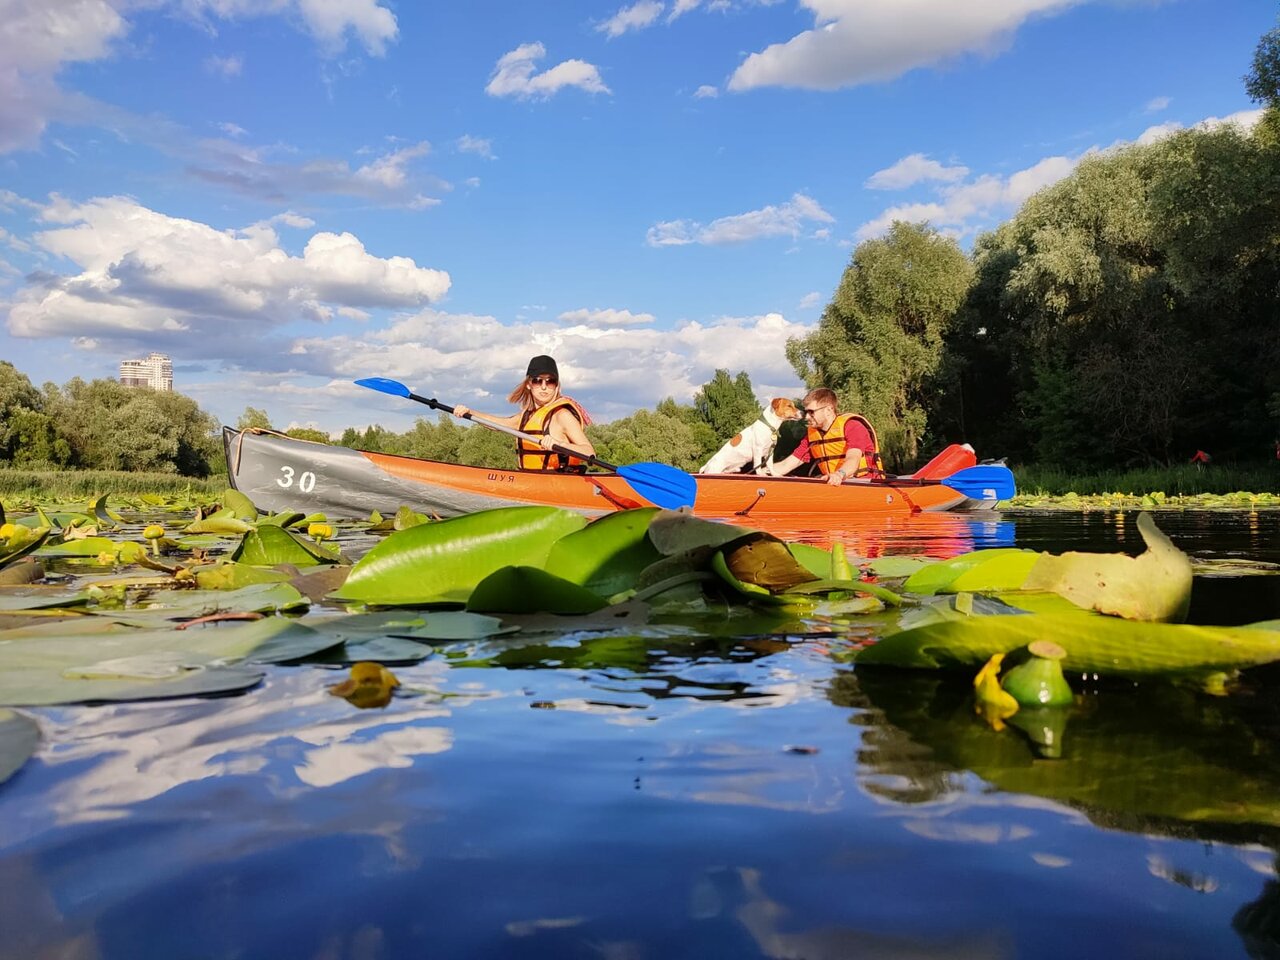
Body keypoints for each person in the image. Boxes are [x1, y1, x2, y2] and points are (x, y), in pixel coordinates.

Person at [452, 355, 595, 471]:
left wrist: (559, 444)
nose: (544, 387)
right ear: (529, 384)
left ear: (556, 386)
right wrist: (469, 412)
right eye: (538, 381)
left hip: (559, 483)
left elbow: (589, 452)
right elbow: (497, 424)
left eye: (550, 381)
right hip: (529, 480)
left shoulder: (562, 415)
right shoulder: (527, 416)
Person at [759, 388, 879, 485]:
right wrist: (761, 472)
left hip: (866, 483)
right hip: (835, 485)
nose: (806, 417)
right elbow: (786, 465)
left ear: (828, 410)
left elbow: (853, 459)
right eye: (806, 412)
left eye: (811, 412)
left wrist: (839, 474)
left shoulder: (853, 426)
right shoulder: (812, 435)